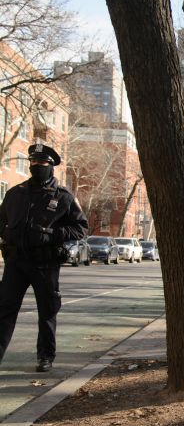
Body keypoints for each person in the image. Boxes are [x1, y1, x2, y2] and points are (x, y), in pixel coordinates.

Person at [0, 143, 88, 372]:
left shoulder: (63, 197)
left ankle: (45, 357)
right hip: (16, 262)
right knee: (4, 311)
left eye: (42, 163)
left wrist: (53, 234)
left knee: (47, 312)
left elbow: (81, 228)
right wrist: (6, 234)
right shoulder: (15, 193)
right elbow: (1, 220)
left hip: (45, 263)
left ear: (51, 166)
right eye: (33, 162)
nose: (36, 166)